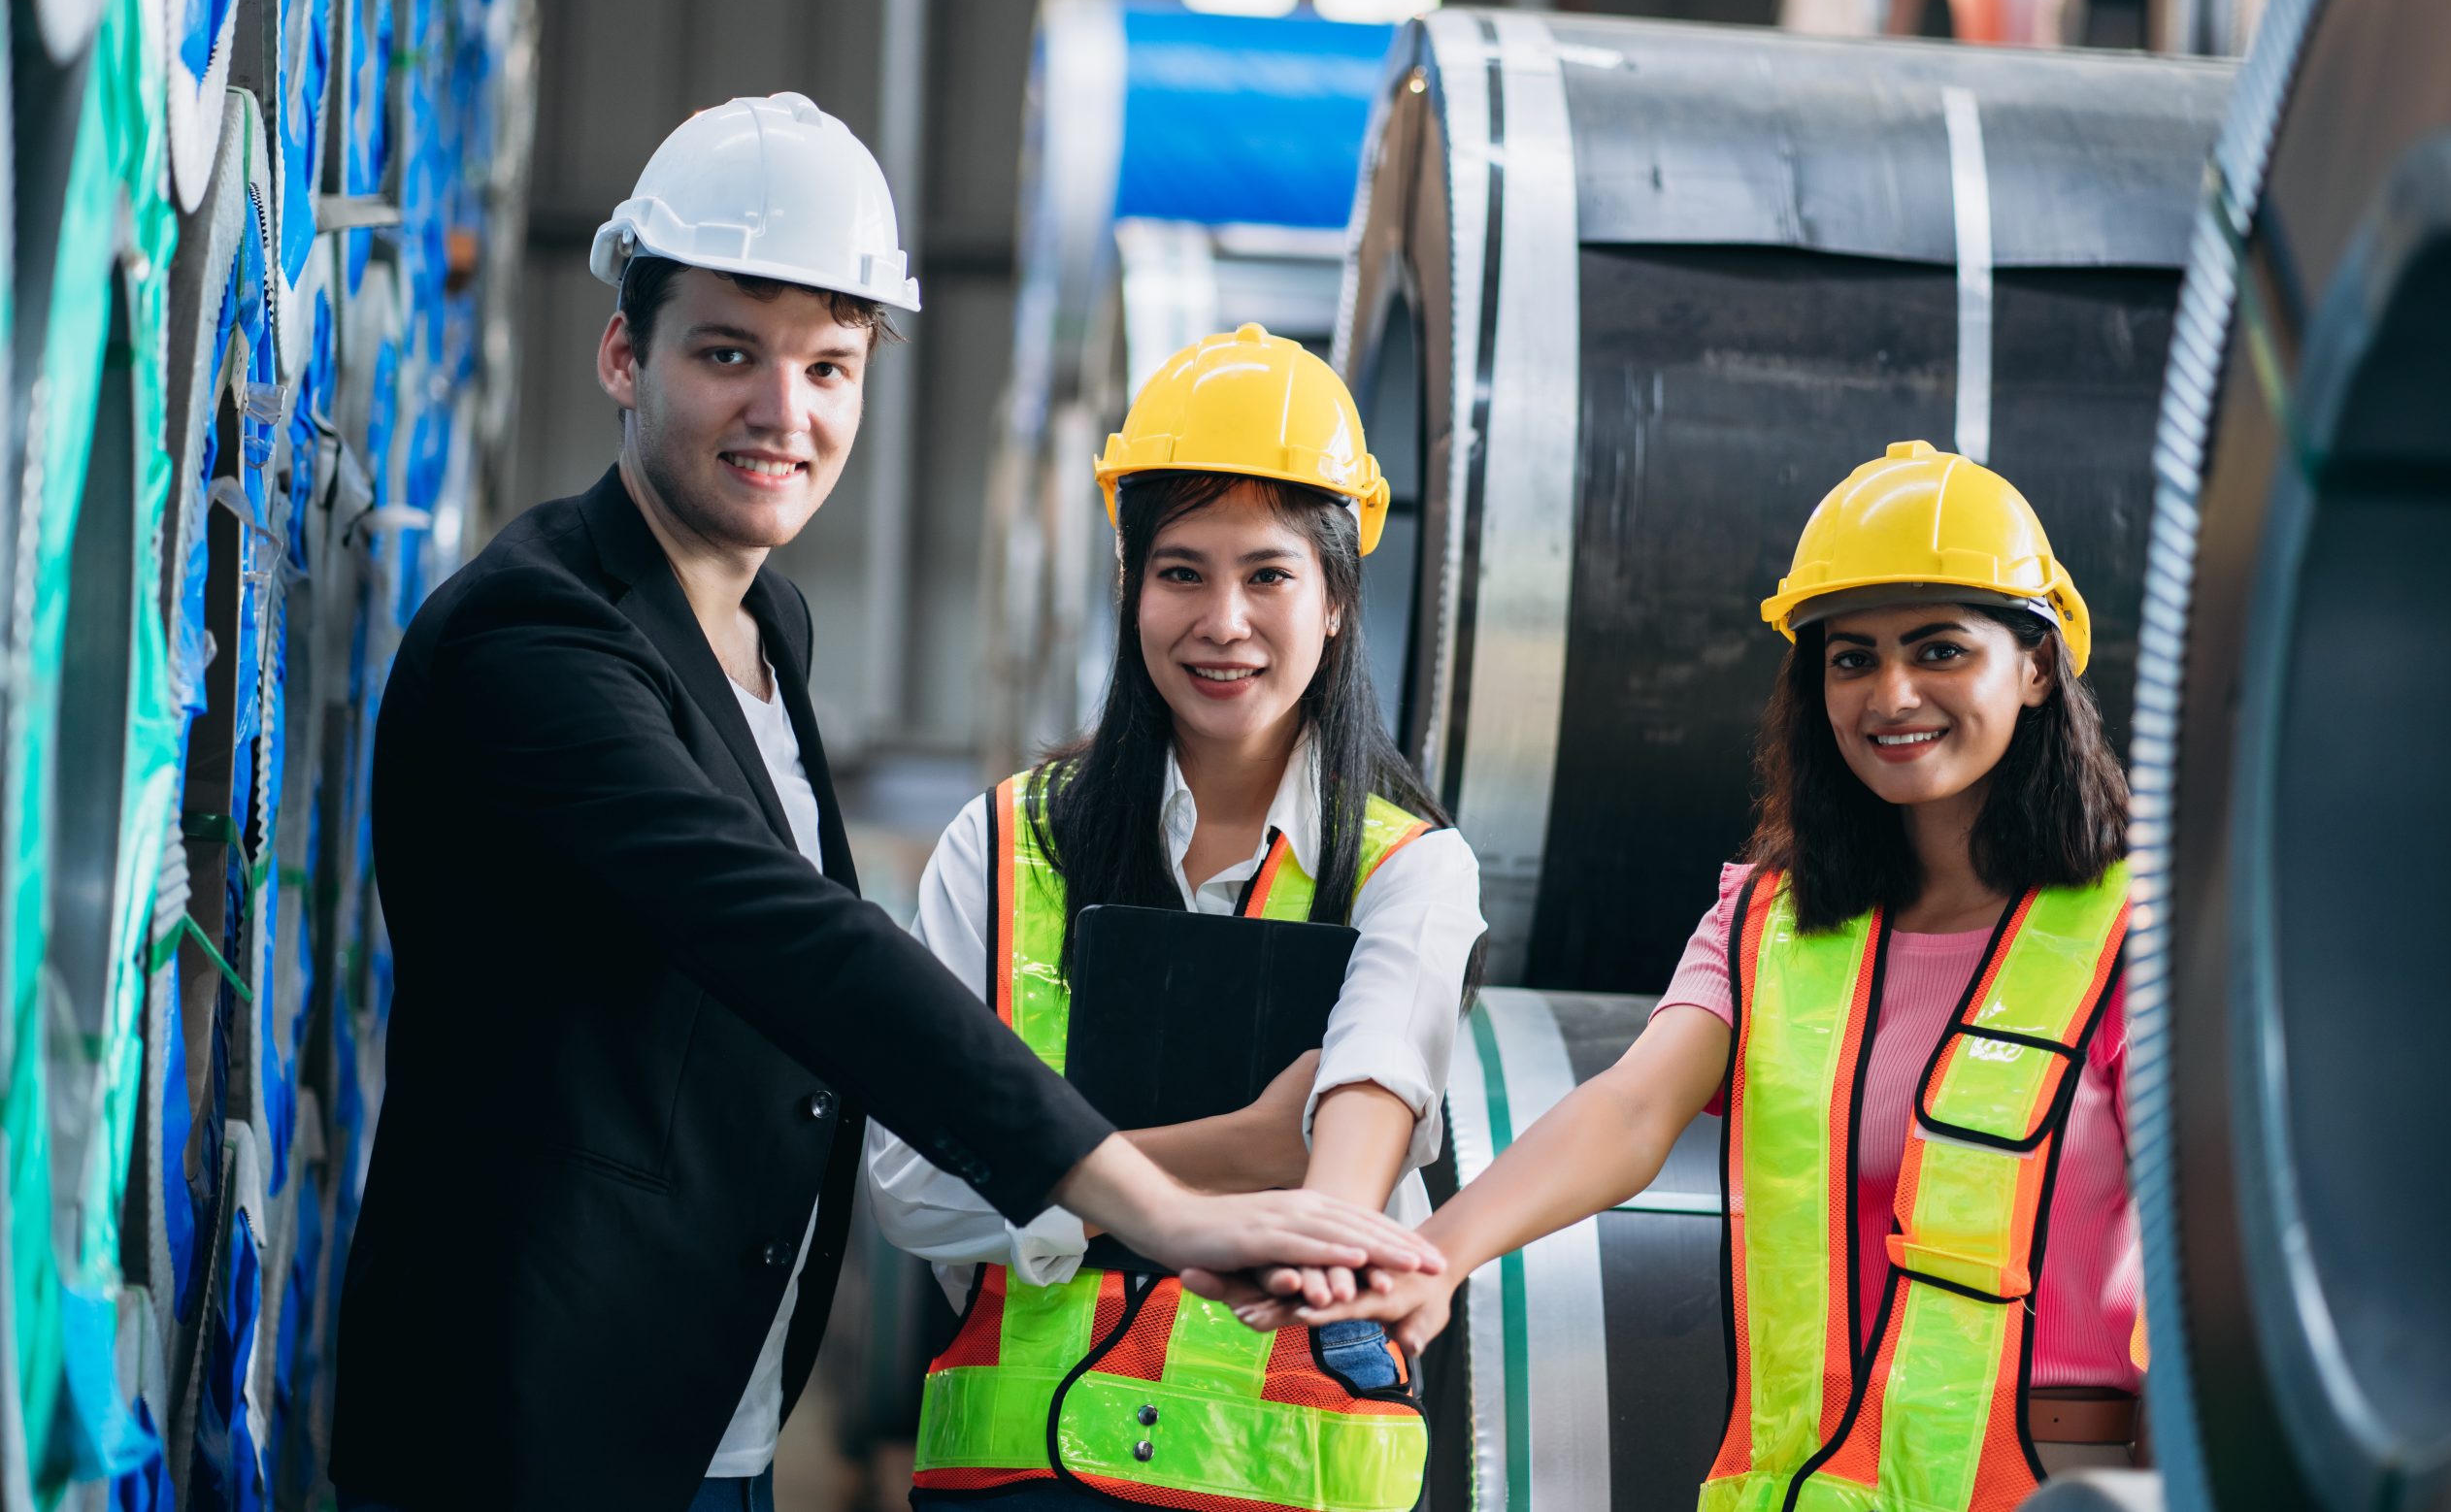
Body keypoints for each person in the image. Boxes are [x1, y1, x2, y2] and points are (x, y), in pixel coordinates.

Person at [329, 98, 1436, 1512]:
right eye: (729, 353)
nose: (784, 413)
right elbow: (791, 941)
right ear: (623, 352)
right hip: (522, 1422)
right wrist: (1160, 1204)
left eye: (829, 366)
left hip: (703, 1415)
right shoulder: (531, 637)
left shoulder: (766, 626)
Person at [1210, 441, 2142, 1509]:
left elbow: (2208, 1274)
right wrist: (1436, 1253)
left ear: (2033, 666)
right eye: (1851, 657)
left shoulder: (2136, 932)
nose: (1891, 692)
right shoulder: (1768, 921)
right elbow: (1628, 1109)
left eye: (1938, 649)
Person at [868, 325, 1488, 1512]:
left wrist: (1060, 1178)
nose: (1222, 621)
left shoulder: (1413, 870)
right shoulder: (998, 848)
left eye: (1268, 574)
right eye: (1181, 570)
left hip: (1287, 1483)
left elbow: (1351, 1151)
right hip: (1020, 1475)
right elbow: (910, 1192)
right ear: (1128, 587)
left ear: (1339, 599)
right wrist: (1238, 1150)